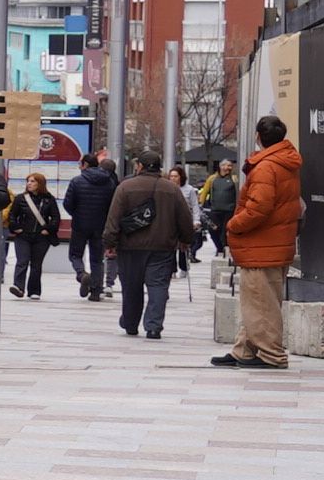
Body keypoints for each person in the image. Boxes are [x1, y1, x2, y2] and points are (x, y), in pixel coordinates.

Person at [214, 115, 301, 372]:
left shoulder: (266, 167)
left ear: (258, 136)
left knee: (262, 304)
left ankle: (272, 354)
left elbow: (259, 208)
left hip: (262, 246)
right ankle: (245, 349)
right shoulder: (283, 162)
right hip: (272, 244)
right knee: (257, 302)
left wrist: (233, 224)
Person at [106, 155, 196, 342]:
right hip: (162, 246)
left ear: (139, 166)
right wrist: (186, 240)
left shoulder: (125, 187)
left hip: (130, 246)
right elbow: (185, 218)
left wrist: (110, 243)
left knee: (131, 286)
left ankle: (131, 324)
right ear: (159, 167)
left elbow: (113, 218)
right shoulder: (172, 189)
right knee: (158, 286)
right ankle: (153, 327)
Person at [64, 150, 122, 302]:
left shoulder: (77, 181)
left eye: (80, 163)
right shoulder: (109, 182)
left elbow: (67, 204)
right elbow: (113, 206)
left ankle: (82, 274)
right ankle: (96, 291)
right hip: (101, 226)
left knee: (75, 254)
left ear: (85, 165)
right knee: (97, 259)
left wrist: (76, 214)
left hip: (80, 224)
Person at [4, 172, 61, 298]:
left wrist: (49, 229)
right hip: (23, 235)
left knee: (36, 264)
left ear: (40, 184)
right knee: (22, 260)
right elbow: (12, 215)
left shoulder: (48, 199)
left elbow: (55, 217)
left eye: (33, 181)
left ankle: (34, 291)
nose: (29, 184)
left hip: (41, 237)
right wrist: (16, 228)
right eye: (28, 181)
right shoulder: (21, 198)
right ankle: (18, 286)